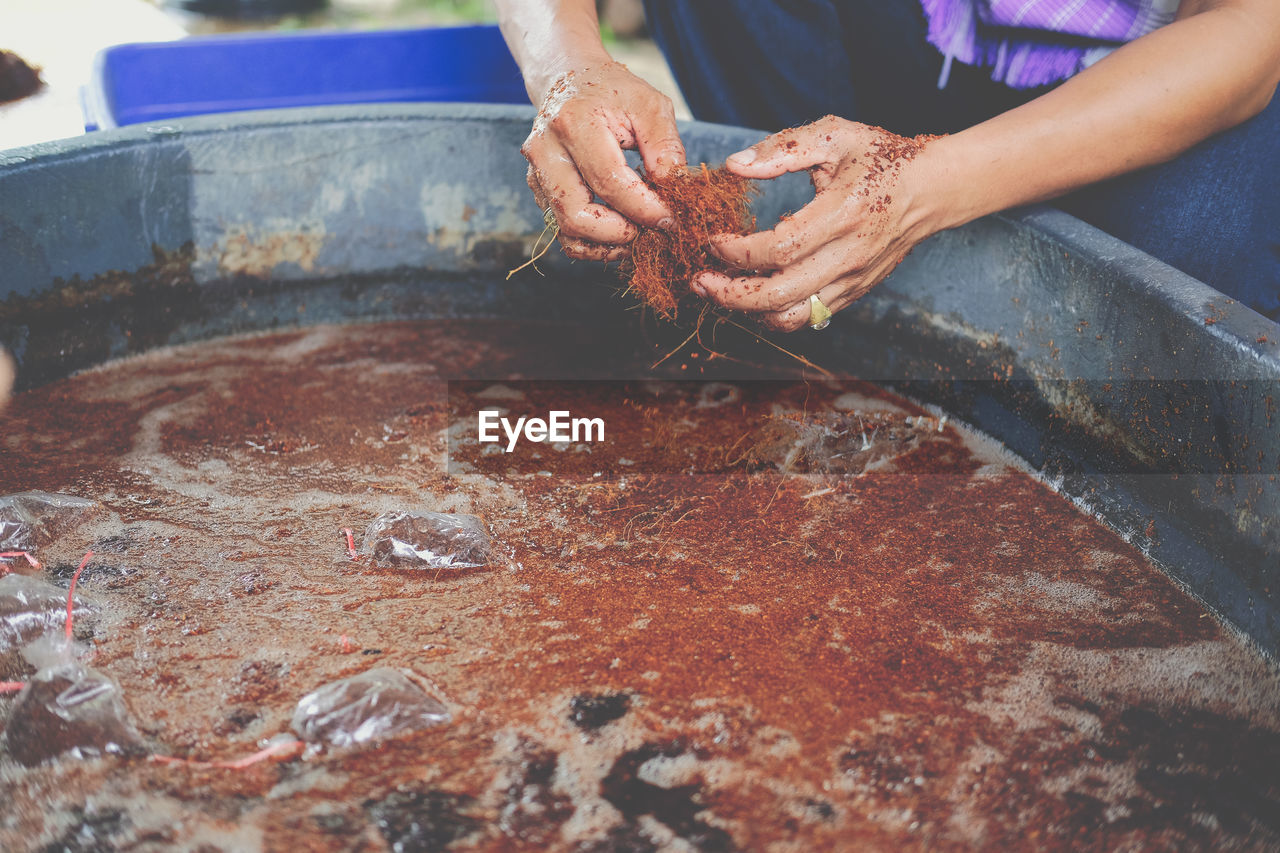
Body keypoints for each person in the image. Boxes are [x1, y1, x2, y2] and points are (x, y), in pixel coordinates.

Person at [495, 0, 1280, 330]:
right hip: (915, 32)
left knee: (1176, 290)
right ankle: (821, 273)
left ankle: (876, 232)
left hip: (1155, 73)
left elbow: (1248, 26)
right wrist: (564, 62)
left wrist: (930, 184)